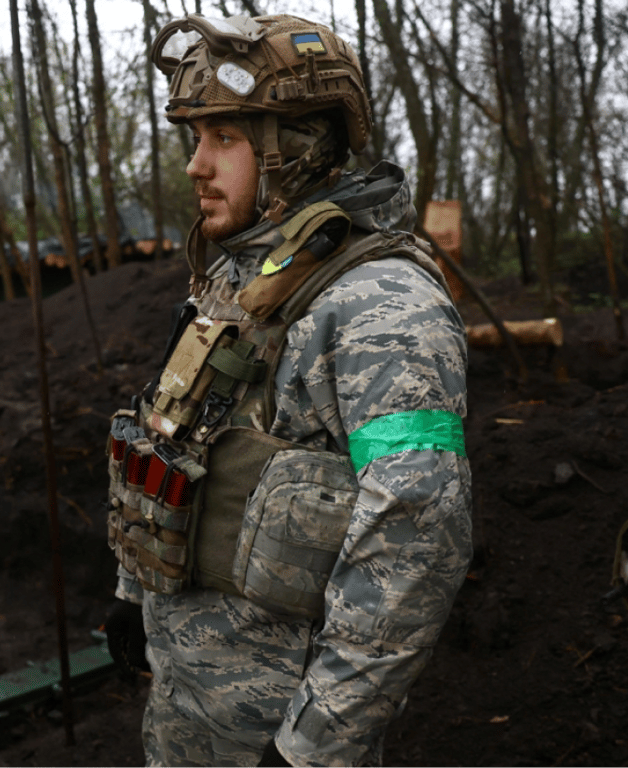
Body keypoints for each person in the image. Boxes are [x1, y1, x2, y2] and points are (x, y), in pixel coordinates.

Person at [102, 14, 472, 768]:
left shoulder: (384, 308)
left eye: (224, 139)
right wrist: (133, 593)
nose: (195, 166)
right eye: (196, 138)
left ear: (298, 147)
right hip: (185, 707)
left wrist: (312, 748)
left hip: (278, 728)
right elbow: (173, 438)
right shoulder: (236, 282)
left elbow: (414, 544)